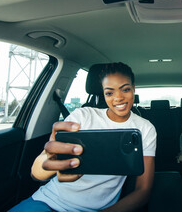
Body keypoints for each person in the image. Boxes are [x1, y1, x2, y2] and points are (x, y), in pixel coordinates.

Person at [10, 62, 157, 212]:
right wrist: (49, 159)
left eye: (125, 89)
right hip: (48, 201)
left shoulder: (145, 128)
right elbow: (36, 174)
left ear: (133, 88)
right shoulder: (82, 116)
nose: (118, 98)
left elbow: (143, 191)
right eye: (109, 92)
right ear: (103, 94)